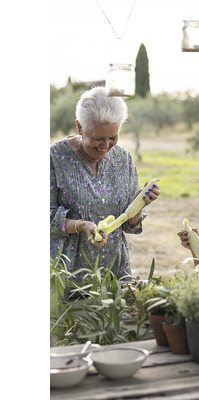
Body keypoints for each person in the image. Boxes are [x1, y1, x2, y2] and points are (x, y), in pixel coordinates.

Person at [50, 86, 160, 281]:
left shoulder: (123, 159)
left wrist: (137, 206)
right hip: (65, 275)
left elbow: (129, 226)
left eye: (113, 138)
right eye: (98, 138)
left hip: (114, 273)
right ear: (80, 127)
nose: (105, 146)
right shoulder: (54, 158)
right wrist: (81, 225)